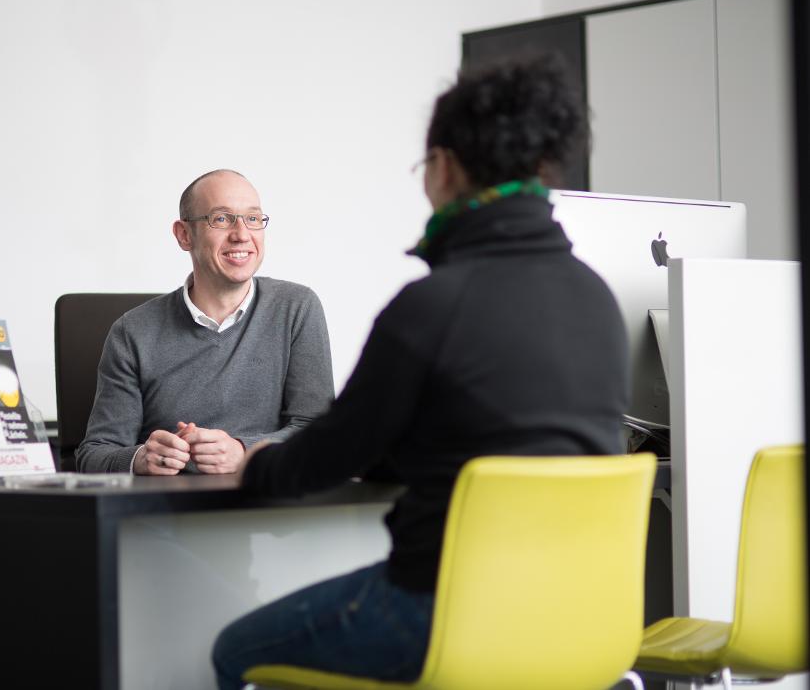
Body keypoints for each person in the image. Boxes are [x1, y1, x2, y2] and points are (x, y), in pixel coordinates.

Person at [211, 55, 631, 688]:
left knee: (234, 649)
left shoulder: (433, 307)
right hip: (577, 613)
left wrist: (254, 462)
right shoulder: (595, 298)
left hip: (441, 611)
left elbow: (324, 456)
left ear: (446, 166)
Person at [76, 169, 334, 475]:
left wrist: (244, 451)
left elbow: (319, 433)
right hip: (168, 512)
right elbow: (93, 455)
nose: (242, 234)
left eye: (253, 219)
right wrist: (140, 459)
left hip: (266, 509)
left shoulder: (296, 308)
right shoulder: (132, 332)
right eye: (221, 219)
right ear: (184, 235)